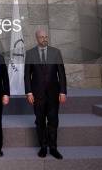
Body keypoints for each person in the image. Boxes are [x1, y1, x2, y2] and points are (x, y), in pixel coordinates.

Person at [24, 28, 67, 160]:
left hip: (54, 93)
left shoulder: (56, 52)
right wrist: (29, 92)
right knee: (40, 121)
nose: (45, 39)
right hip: (37, 94)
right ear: (37, 38)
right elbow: (27, 75)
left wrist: (63, 91)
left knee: (53, 120)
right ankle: (43, 147)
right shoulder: (30, 53)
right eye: (42, 37)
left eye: (46, 37)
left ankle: (53, 148)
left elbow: (61, 74)